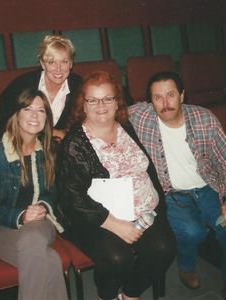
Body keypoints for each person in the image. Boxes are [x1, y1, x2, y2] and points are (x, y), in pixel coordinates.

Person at [128, 71, 226, 300]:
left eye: (171, 95)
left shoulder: (204, 118)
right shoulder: (142, 116)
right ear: (149, 101)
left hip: (209, 189)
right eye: (157, 98)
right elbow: (105, 112)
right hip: (171, 195)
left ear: (182, 95)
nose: (165, 103)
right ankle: (186, 266)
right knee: (191, 231)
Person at [58, 71, 176, 300]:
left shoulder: (127, 127)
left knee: (164, 248)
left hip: (144, 211)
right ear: (83, 105)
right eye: (93, 99)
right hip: (98, 219)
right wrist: (115, 224)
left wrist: (155, 204)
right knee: (117, 258)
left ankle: (131, 294)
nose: (101, 105)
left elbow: (147, 168)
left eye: (108, 98)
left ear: (117, 102)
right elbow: (72, 198)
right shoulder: (74, 143)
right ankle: (107, 295)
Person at [0, 88, 67, 300]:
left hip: (40, 223)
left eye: (41, 111)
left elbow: (52, 192)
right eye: (28, 109)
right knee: (50, 261)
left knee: (32, 238)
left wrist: (42, 206)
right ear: (16, 115)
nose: (34, 115)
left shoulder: (48, 151)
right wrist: (19, 216)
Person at [0, 34, 82, 142]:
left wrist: (66, 134)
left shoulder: (80, 86)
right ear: (43, 64)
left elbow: (87, 124)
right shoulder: (22, 85)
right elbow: (1, 121)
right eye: (51, 62)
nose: (58, 69)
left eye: (64, 62)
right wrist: (50, 133)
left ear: (71, 64)